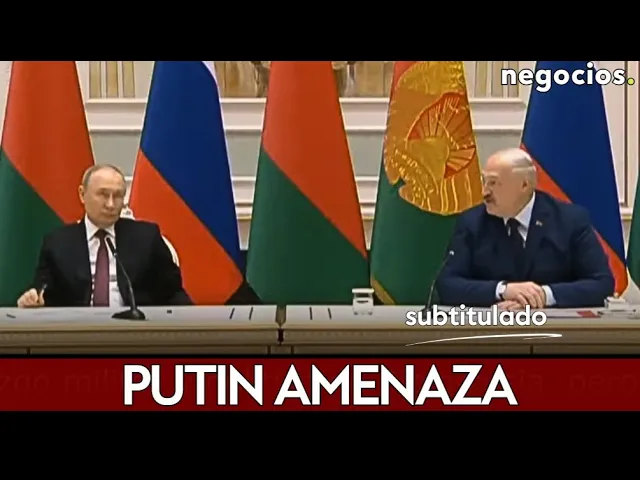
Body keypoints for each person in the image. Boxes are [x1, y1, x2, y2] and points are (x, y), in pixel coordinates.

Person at [435, 148, 614, 309]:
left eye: (494, 183)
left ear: (524, 185)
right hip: (493, 325)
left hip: (555, 328)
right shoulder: (472, 221)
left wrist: (543, 295)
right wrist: (503, 290)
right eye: (484, 181)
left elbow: (602, 283)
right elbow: (447, 284)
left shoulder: (569, 220)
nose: (485, 192)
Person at [17, 164, 192, 308]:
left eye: (118, 196)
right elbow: (42, 289)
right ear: (82, 194)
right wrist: (33, 298)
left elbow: (174, 292)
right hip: (77, 331)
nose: (110, 204)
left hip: (136, 329)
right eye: (103, 194)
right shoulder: (58, 242)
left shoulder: (146, 237)